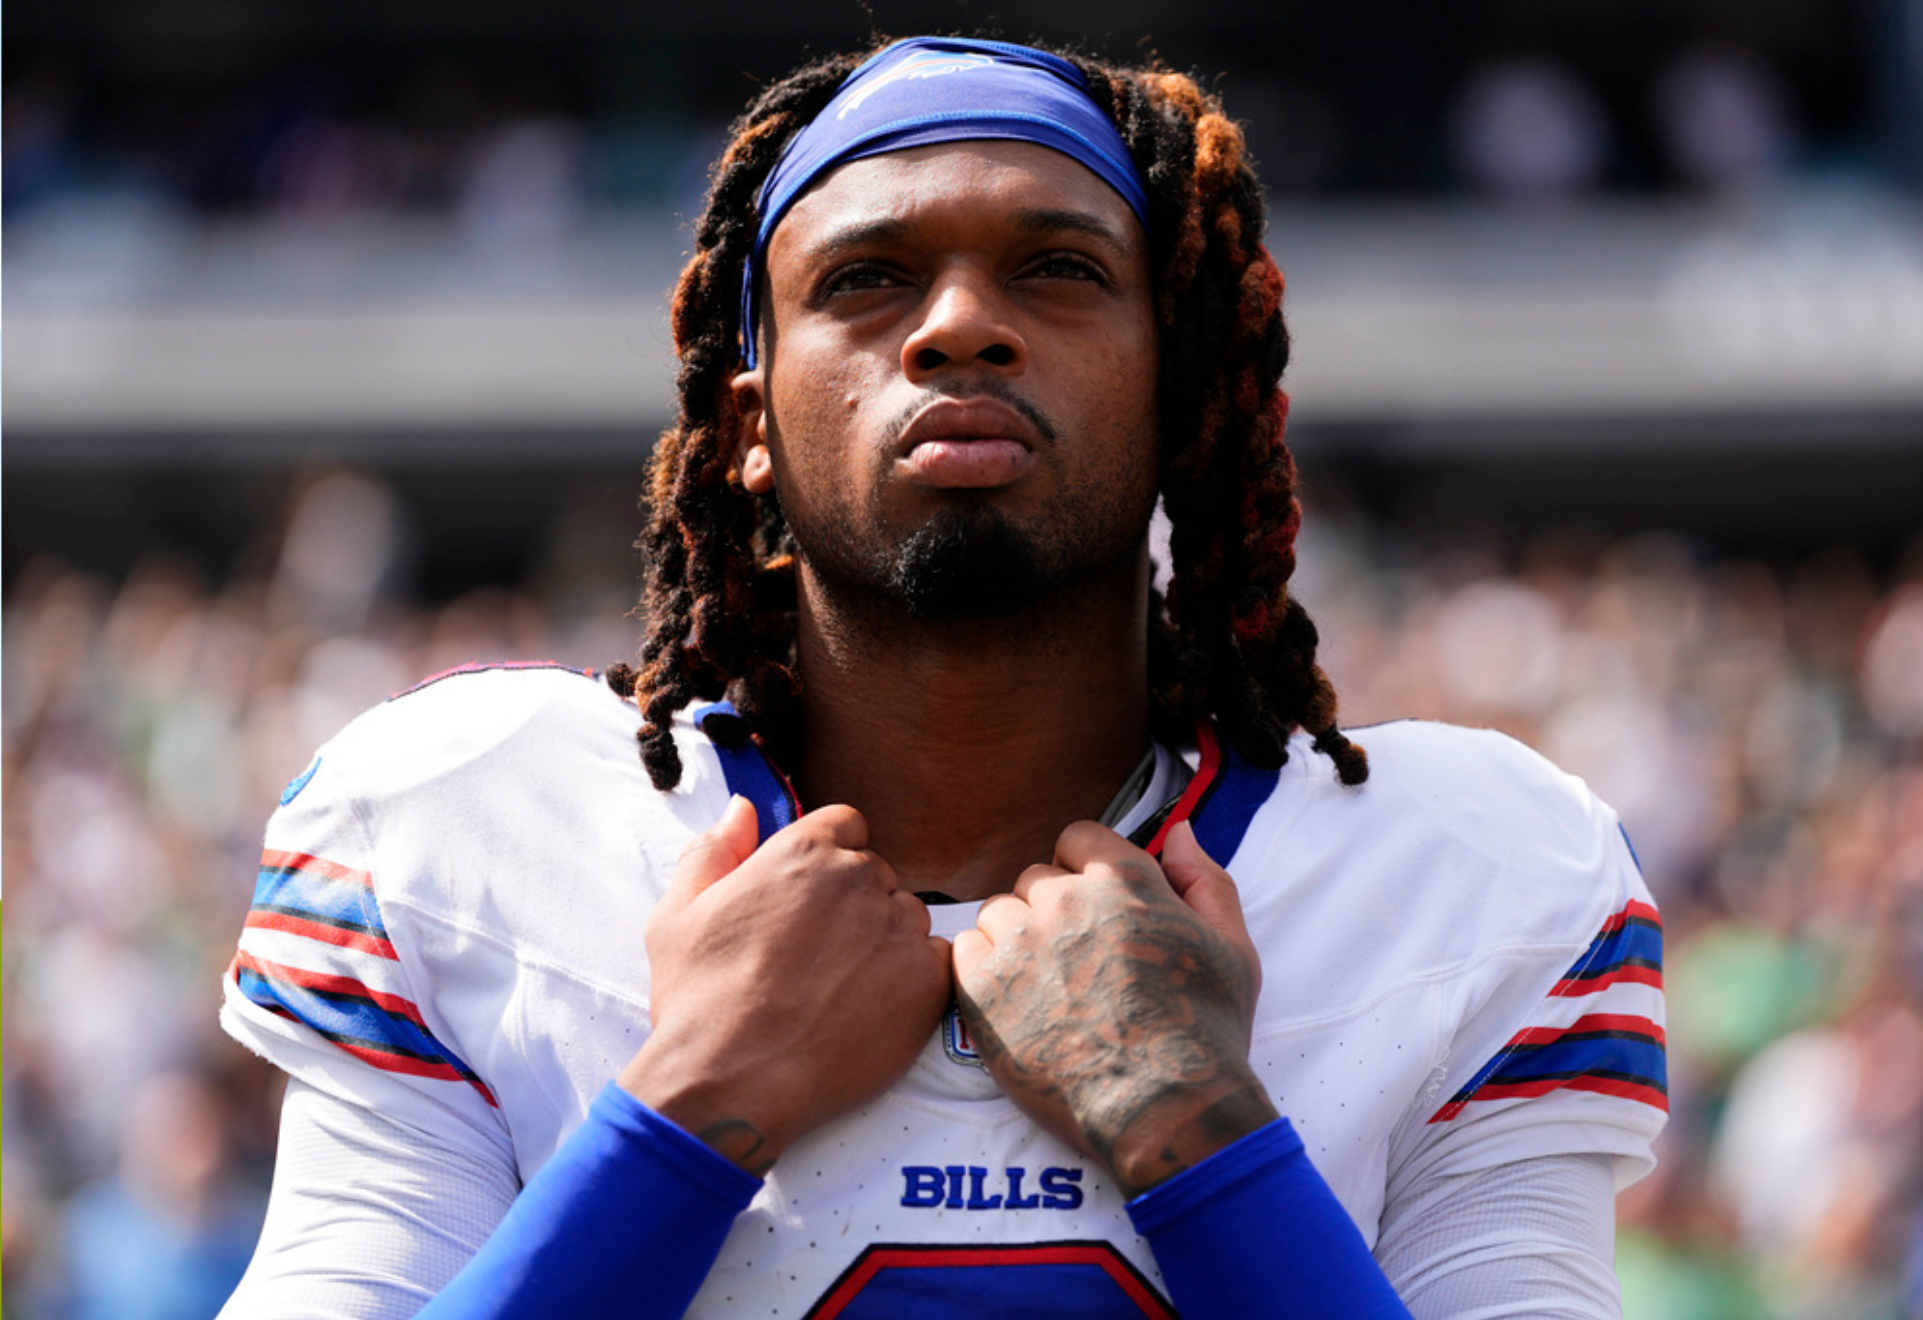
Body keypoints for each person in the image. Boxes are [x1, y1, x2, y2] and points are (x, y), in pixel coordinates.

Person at [217, 36, 1667, 1318]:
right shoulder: (463, 823)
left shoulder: (1471, 871)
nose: (960, 325)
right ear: (748, 426)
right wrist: (685, 1111)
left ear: (1183, 394)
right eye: (866, 279)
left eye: (1059, 268)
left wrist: (1196, 1126)